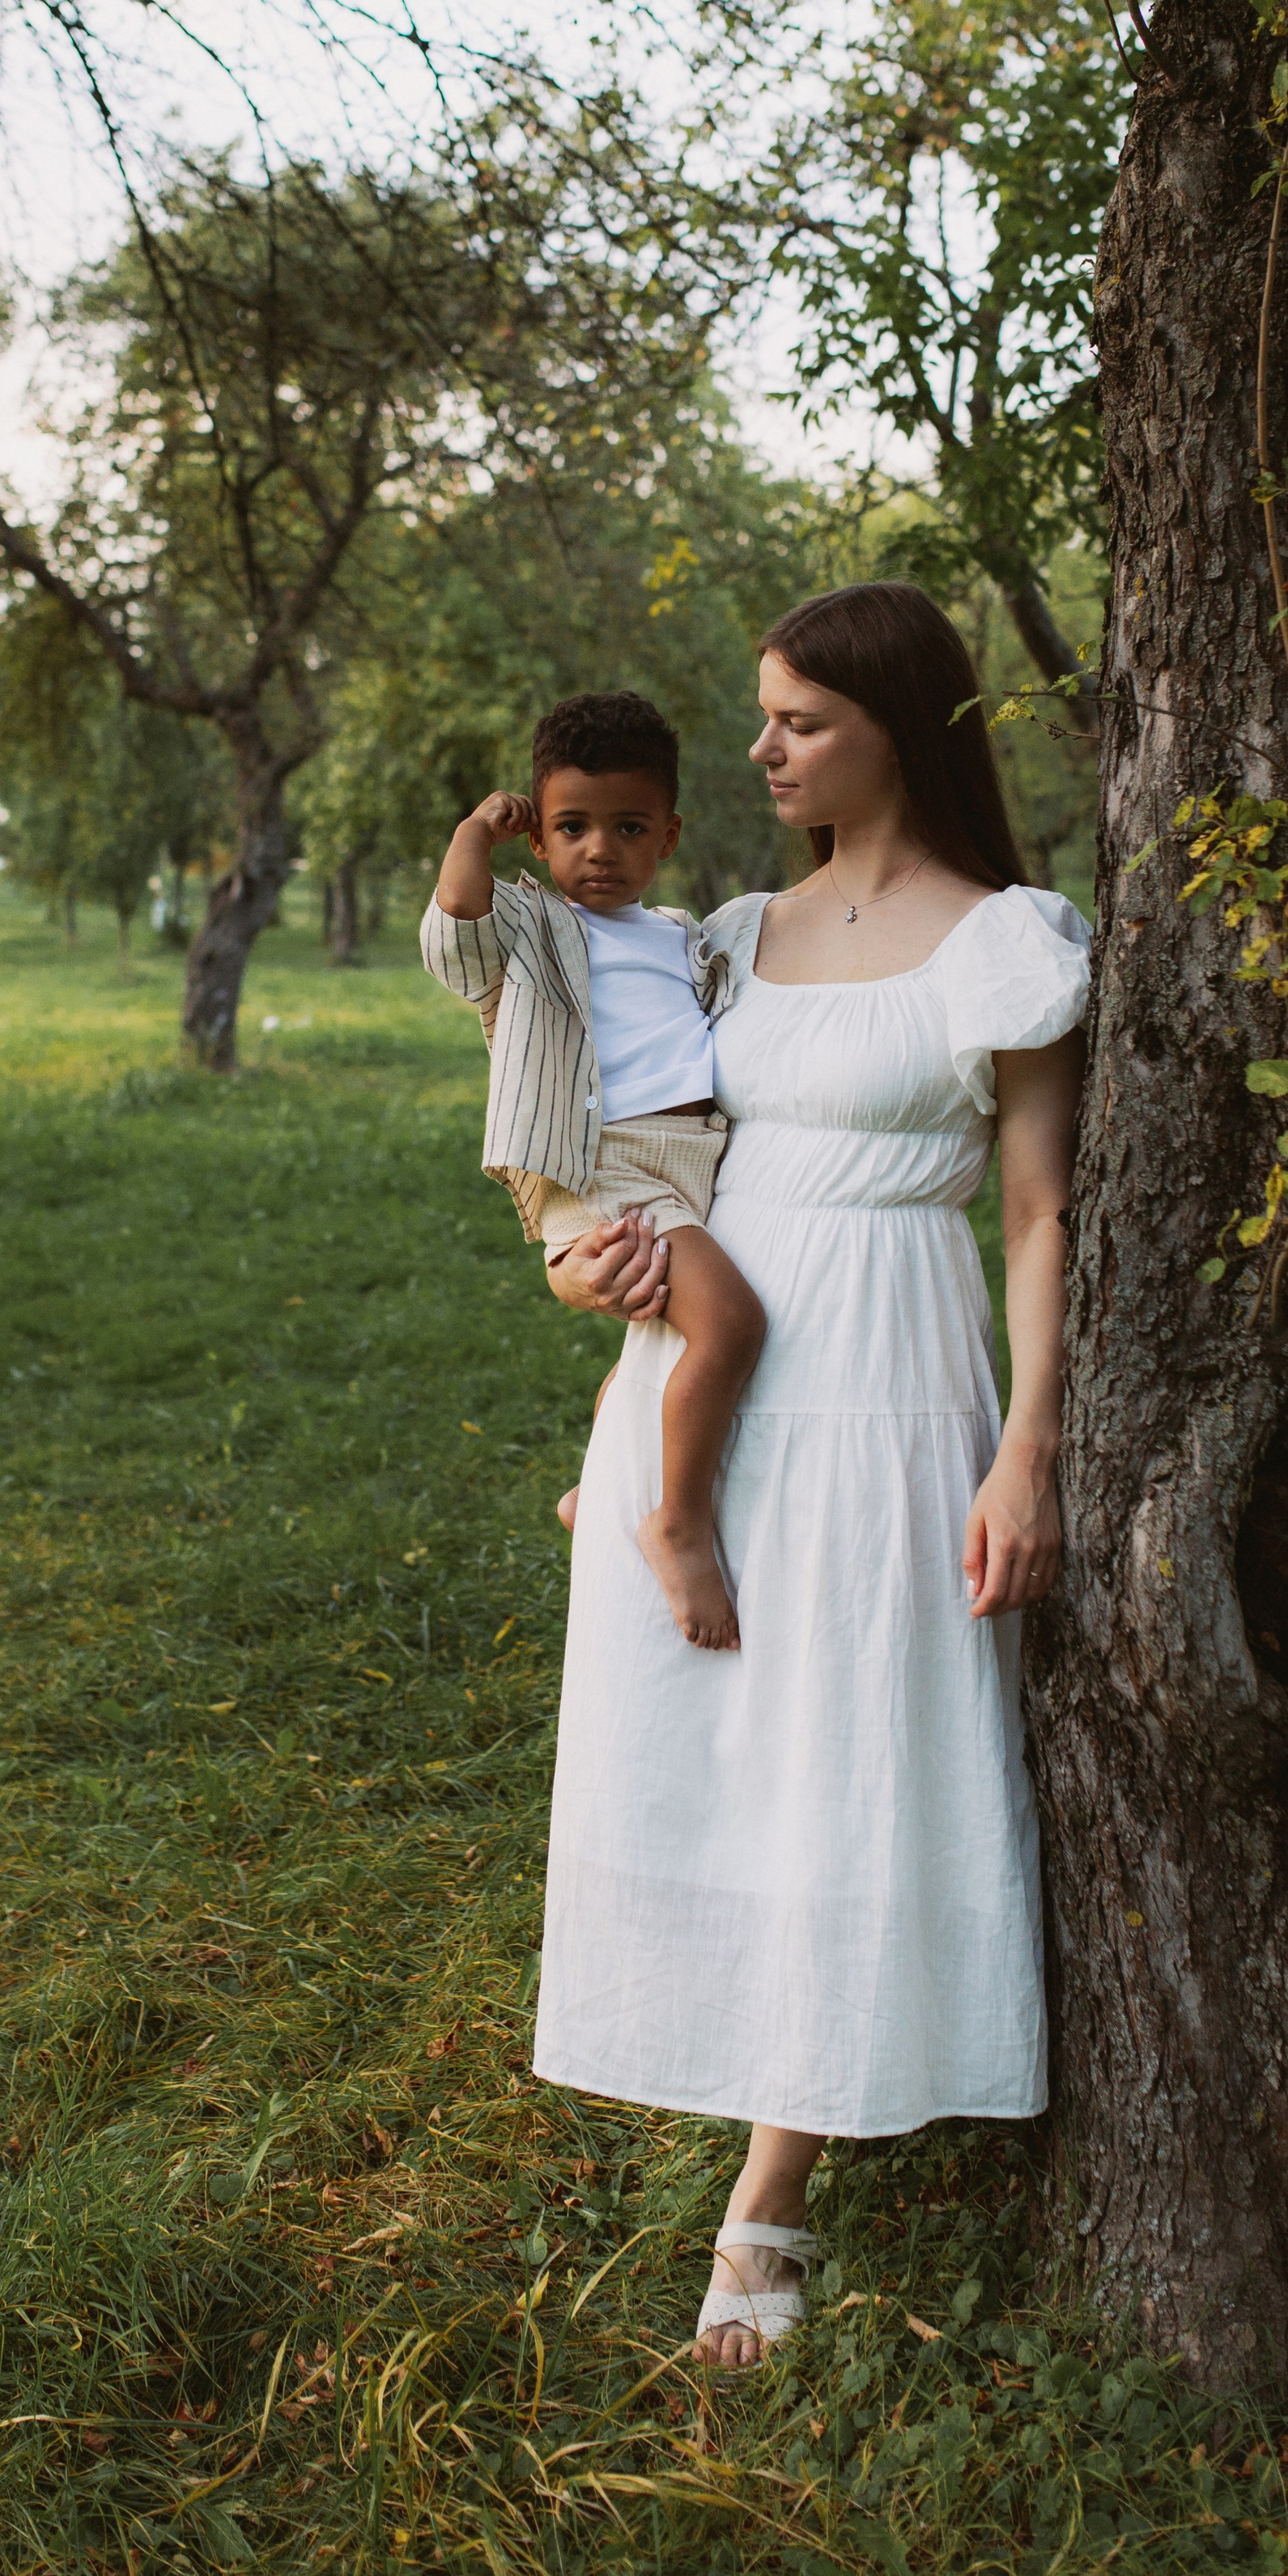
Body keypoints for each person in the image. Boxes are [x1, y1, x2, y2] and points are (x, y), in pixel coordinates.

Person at [534, 582, 1090, 2372]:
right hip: (711, 1362)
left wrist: (1026, 1447)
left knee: (846, 1738)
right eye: (760, 719)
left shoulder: (1002, 941)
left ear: (895, 728)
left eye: (796, 722)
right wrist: (590, 1292)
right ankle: (730, 2042)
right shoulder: (719, 933)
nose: (759, 751)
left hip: (889, 1367)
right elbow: (641, 1163)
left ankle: (764, 2198)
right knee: (713, 1741)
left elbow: (1035, 1210)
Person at [421, 691, 766, 1650]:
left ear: (668, 834)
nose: (598, 850)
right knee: (728, 1325)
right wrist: (473, 837)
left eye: (627, 827)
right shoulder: (532, 929)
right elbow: (455, 923)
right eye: (571, 827)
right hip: (602, 1160)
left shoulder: (678, 934)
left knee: (648, 1353)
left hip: (684, 1158)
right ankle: (675, 1520)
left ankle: (599, 1488)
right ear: (540, 840)